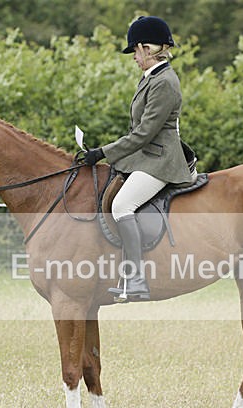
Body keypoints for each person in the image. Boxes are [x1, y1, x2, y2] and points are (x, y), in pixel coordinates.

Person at [82, 16, 193, 302]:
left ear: (147, 48)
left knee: (122, 205)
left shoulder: (164, 82)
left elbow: (144, 133)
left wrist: (103, 152)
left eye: (135, 51)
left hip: (161, 159)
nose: (134, 57)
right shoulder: (152, 78)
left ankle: (135, 279)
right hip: (146, 156)